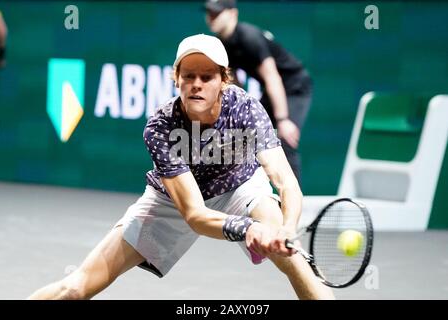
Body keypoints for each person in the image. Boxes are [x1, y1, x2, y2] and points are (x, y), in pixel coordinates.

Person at [28, 34, 334, 300]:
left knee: (294, 261)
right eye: (189, 76)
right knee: (76, 290)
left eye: (207, 77)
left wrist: (286, 229)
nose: (196, 85)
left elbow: (284, 180)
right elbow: (195, 215)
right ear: (177, 79)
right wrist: (249, 229)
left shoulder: (246, 108)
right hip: (173, 202)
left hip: (240, 185)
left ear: (224, 80)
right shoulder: (160, 128)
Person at [204, 0, 312, 185]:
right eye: (209, 13)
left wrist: (283, 119)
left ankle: (293, 203)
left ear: (233, 13)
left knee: (283, 139)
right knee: (245, 135)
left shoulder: (249, 36)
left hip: (294, 87)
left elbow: (272, 77)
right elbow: (234, 81)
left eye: (216, 13)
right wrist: (240, 111)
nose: (211, 18)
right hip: (273, 91)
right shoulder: (223, 44)